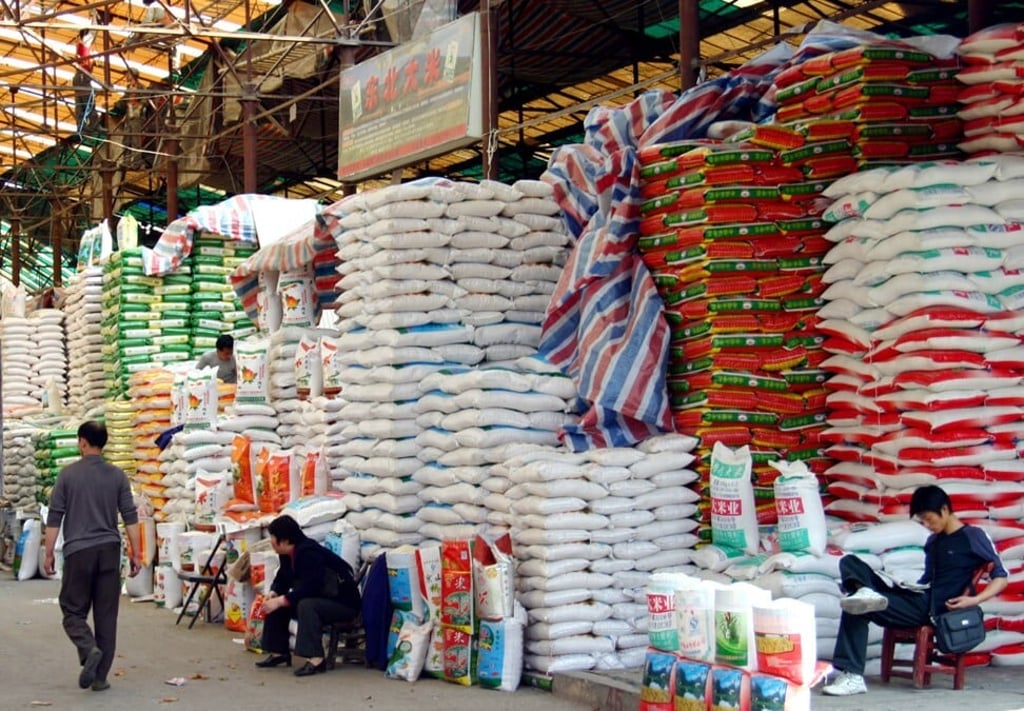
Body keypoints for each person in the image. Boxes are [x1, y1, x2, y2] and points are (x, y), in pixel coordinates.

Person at [822, 484, 1008, 696]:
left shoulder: (973, 536)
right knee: (851, 564)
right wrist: (901, 585)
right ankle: (865, 591)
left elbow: (1001, 577)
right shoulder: (933, 542)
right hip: (919, 598)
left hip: (935, 610)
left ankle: (852, 675)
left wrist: (974, 601)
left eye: (929, 518)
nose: (927, 525)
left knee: (856, 605)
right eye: (923, 521)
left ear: (945, 510)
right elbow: (927, 580)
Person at [43, 421, 141, 693]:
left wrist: (49, 551)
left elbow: (55, 517)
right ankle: (100, 677)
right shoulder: (117, 476)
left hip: (78, 552)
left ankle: (88, 648)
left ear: (82, 442)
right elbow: (130, 517)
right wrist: (136, 551)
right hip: (110, 551)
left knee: (72, 610)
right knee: (106, 615)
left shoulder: (67, 475)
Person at [256, 515, 361, 677]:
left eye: (273, 538)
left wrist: (282, 600)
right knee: (276, 602)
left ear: (284, 541)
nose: (271, 541)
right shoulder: (286, 554)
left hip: (341, 603)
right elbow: (283, 577)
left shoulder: (308, 553)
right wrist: (274, 592)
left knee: (305, 605)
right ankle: (279, 652)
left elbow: (312, 586)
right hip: (319, 598)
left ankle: (316, 659)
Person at [72, 29, 95, 133]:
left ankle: (81, 125)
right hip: (82, 77)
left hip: (80, 77)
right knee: (88, 100)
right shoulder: (83, 46)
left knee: (80, 103)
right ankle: (94, 123)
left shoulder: (83, 47)